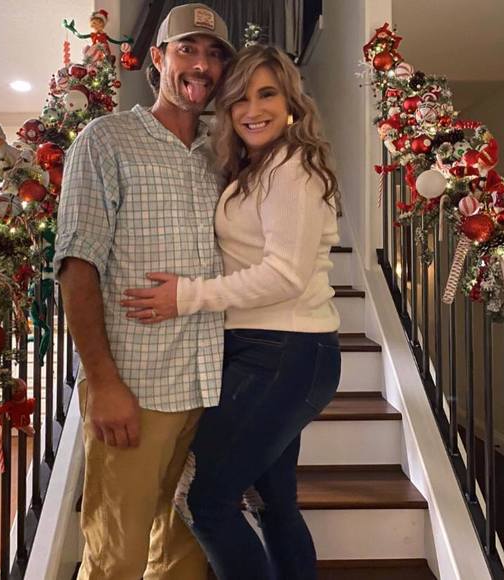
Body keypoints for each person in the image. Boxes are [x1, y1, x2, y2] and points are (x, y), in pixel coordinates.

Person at [121, 45, 342, 580]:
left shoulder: (291, 167)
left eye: (267, 94)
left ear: (291, 103)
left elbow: (284, 275)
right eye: (239, 97)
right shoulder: (257, 167)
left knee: (202, 500)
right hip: (271, 348)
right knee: (273, 503)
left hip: (284, 352)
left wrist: (187, 296)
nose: (252, 109)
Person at [53, 4, 234, 579]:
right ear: (157, 58)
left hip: (210, 387)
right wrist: (103, 383)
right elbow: (77, 264)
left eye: (214, 54)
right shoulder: (106, 139)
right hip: (137, 387)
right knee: (116, 557)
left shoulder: (224, 151)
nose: (201, 65)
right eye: (188, 49)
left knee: (183, 554)